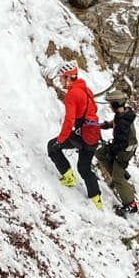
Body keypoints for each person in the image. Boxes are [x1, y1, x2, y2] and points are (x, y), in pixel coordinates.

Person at [47, 62, 103, 208]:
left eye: (62, 78)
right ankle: (96, 200)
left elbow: (69, 120)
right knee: (84, 168)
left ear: (68, 77)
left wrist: (61, 139)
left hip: (82, 134)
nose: (61, 81)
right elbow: (94, 108)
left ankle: (68, 177)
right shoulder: (86, 89)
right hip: (93, 135)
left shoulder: (72, 94)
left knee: (52, 146)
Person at [98, 86, 138, 217]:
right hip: (122, 147)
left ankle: (130, 204)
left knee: (117, 177)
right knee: (100, 153)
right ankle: (121, 174)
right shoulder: (123, 114)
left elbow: (121, 143)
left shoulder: (123, 123)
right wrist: (104, 125)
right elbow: (115, 123)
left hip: (125, 151)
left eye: (110, 104)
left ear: (115, 104)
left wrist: (111, 149)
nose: (109, 106)